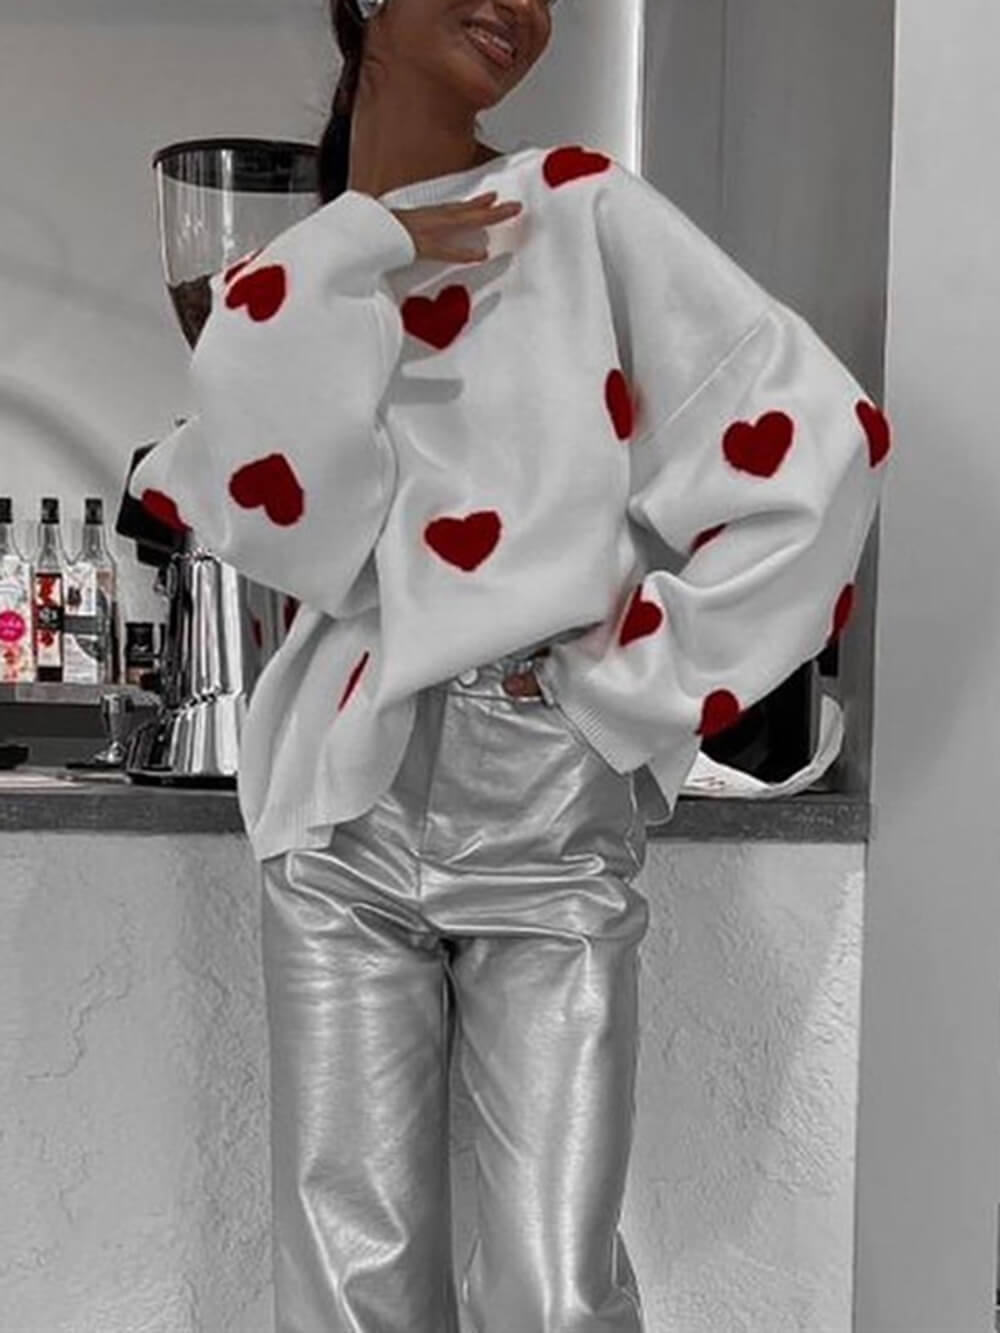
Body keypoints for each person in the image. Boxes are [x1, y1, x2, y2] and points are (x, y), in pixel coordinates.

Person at [129, 1, 893, 1328]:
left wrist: (633, 686)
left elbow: (827, 449)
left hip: (543, 786)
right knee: (347, 1283)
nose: (525, 9)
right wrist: (361, 247)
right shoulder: (311, 271)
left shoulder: (579, 210)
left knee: (552, 1290)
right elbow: (280, 515)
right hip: (342, 799)